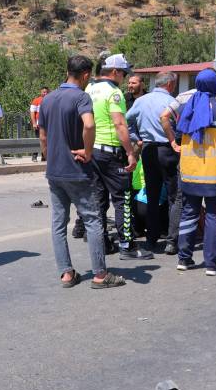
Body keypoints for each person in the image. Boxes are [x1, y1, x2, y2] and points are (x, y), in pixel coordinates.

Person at [38, 55, 124, 289]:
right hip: (77, 170)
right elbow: (89, 124)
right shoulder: (80, 97)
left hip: (55, 172)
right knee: (93, 220)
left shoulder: (48, 99)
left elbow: (43, 136)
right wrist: (87, 151)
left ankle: (66, 274)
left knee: (58, 223)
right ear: (86, 75)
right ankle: (99, 274)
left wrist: (49, 157)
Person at [174, 68, 216, 275]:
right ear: (215, 85)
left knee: (189, 214)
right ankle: (212, 264)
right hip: (215, 173)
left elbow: (178, 138)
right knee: (213, 216)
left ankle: (184, 259)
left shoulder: (186, 107)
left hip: (190, 171)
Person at [86, 53, 153, 261]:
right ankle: (127, 246)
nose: (124, 77)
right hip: (111, 152)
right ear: (114, 72)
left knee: (98, 199)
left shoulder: (89, 89)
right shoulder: (114, 93)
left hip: (94, 150)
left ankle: (103, 243)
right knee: (122, 199)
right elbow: (119, 124)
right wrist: (131, 153)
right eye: (123, 73)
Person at [126, 71, 181, 254]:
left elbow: (126, 121)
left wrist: (136, 137)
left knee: (152, 194)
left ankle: (151, 239)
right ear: (170, 85)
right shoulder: (172, 103)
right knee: (175, 196)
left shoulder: (141, 101)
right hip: (169, 150)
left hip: (148, 150)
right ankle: (172, 241)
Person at [30, 86, 50, 162]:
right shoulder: (36, 100)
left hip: (47, 125)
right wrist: (34, 123)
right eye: (44, 92)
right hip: (39, 125)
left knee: (46, 141)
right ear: (41, 92)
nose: (45, 93)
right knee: (38, 140)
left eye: (46, 92)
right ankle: (34, 156)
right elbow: (32, 112)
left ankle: (44, 156)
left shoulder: (50, 100)